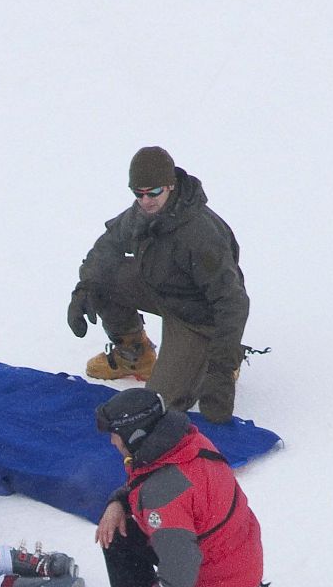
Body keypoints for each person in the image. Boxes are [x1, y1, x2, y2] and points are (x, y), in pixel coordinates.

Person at [91, 388, 289, 587]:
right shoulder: (179, 441)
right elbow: (150, 484)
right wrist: (117, 502)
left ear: (136, 434)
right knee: (116, 535)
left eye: (116, 433)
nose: (112, 441)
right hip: (216, 550)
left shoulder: (163, 493)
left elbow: (181, 571)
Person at [67, 146, 250, 423]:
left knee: (155, 407)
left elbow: (232, 302)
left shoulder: (199, 234)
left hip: (197, 316)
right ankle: (135, 354)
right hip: (162, 287)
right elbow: (108, 246)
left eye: (153, 193)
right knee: (102, 279)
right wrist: (84, 289)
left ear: (170, 186)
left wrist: (220, 370)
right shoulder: (143, 213)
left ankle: (209, 360)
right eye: (138, 193)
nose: (145, 201)